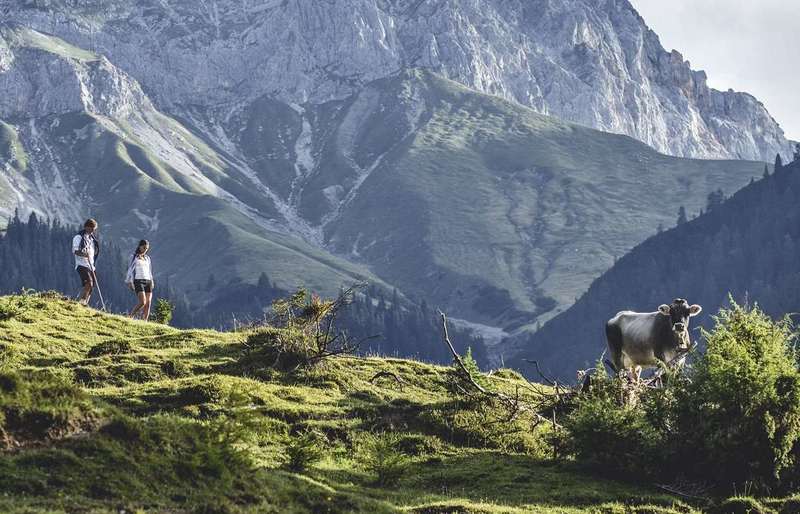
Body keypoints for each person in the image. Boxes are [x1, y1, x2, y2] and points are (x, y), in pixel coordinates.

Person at [72, 218, 100, 305]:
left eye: (94, 229)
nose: (92, 231)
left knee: (92, 285)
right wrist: (85, 254)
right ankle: (81, 302)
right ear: (86, 227)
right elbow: (75, 251)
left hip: (91, 265)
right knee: (89, 283)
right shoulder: (79, 237)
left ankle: (85, 303)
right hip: (82, 264)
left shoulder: (91, 239)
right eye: (91, 228)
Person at [126, 239, 155, 320]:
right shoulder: (134, 257)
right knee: (143, 302)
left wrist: (152, 280)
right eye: (144, 248)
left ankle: (144, 320)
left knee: (148, 303)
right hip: (138, 280)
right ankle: (130, 316)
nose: (145, 250)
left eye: (147, 248)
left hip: (148, 280)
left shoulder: (147, 258)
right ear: (140, 247)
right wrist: (129, 281)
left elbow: (149, 270)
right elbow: (130, 270)